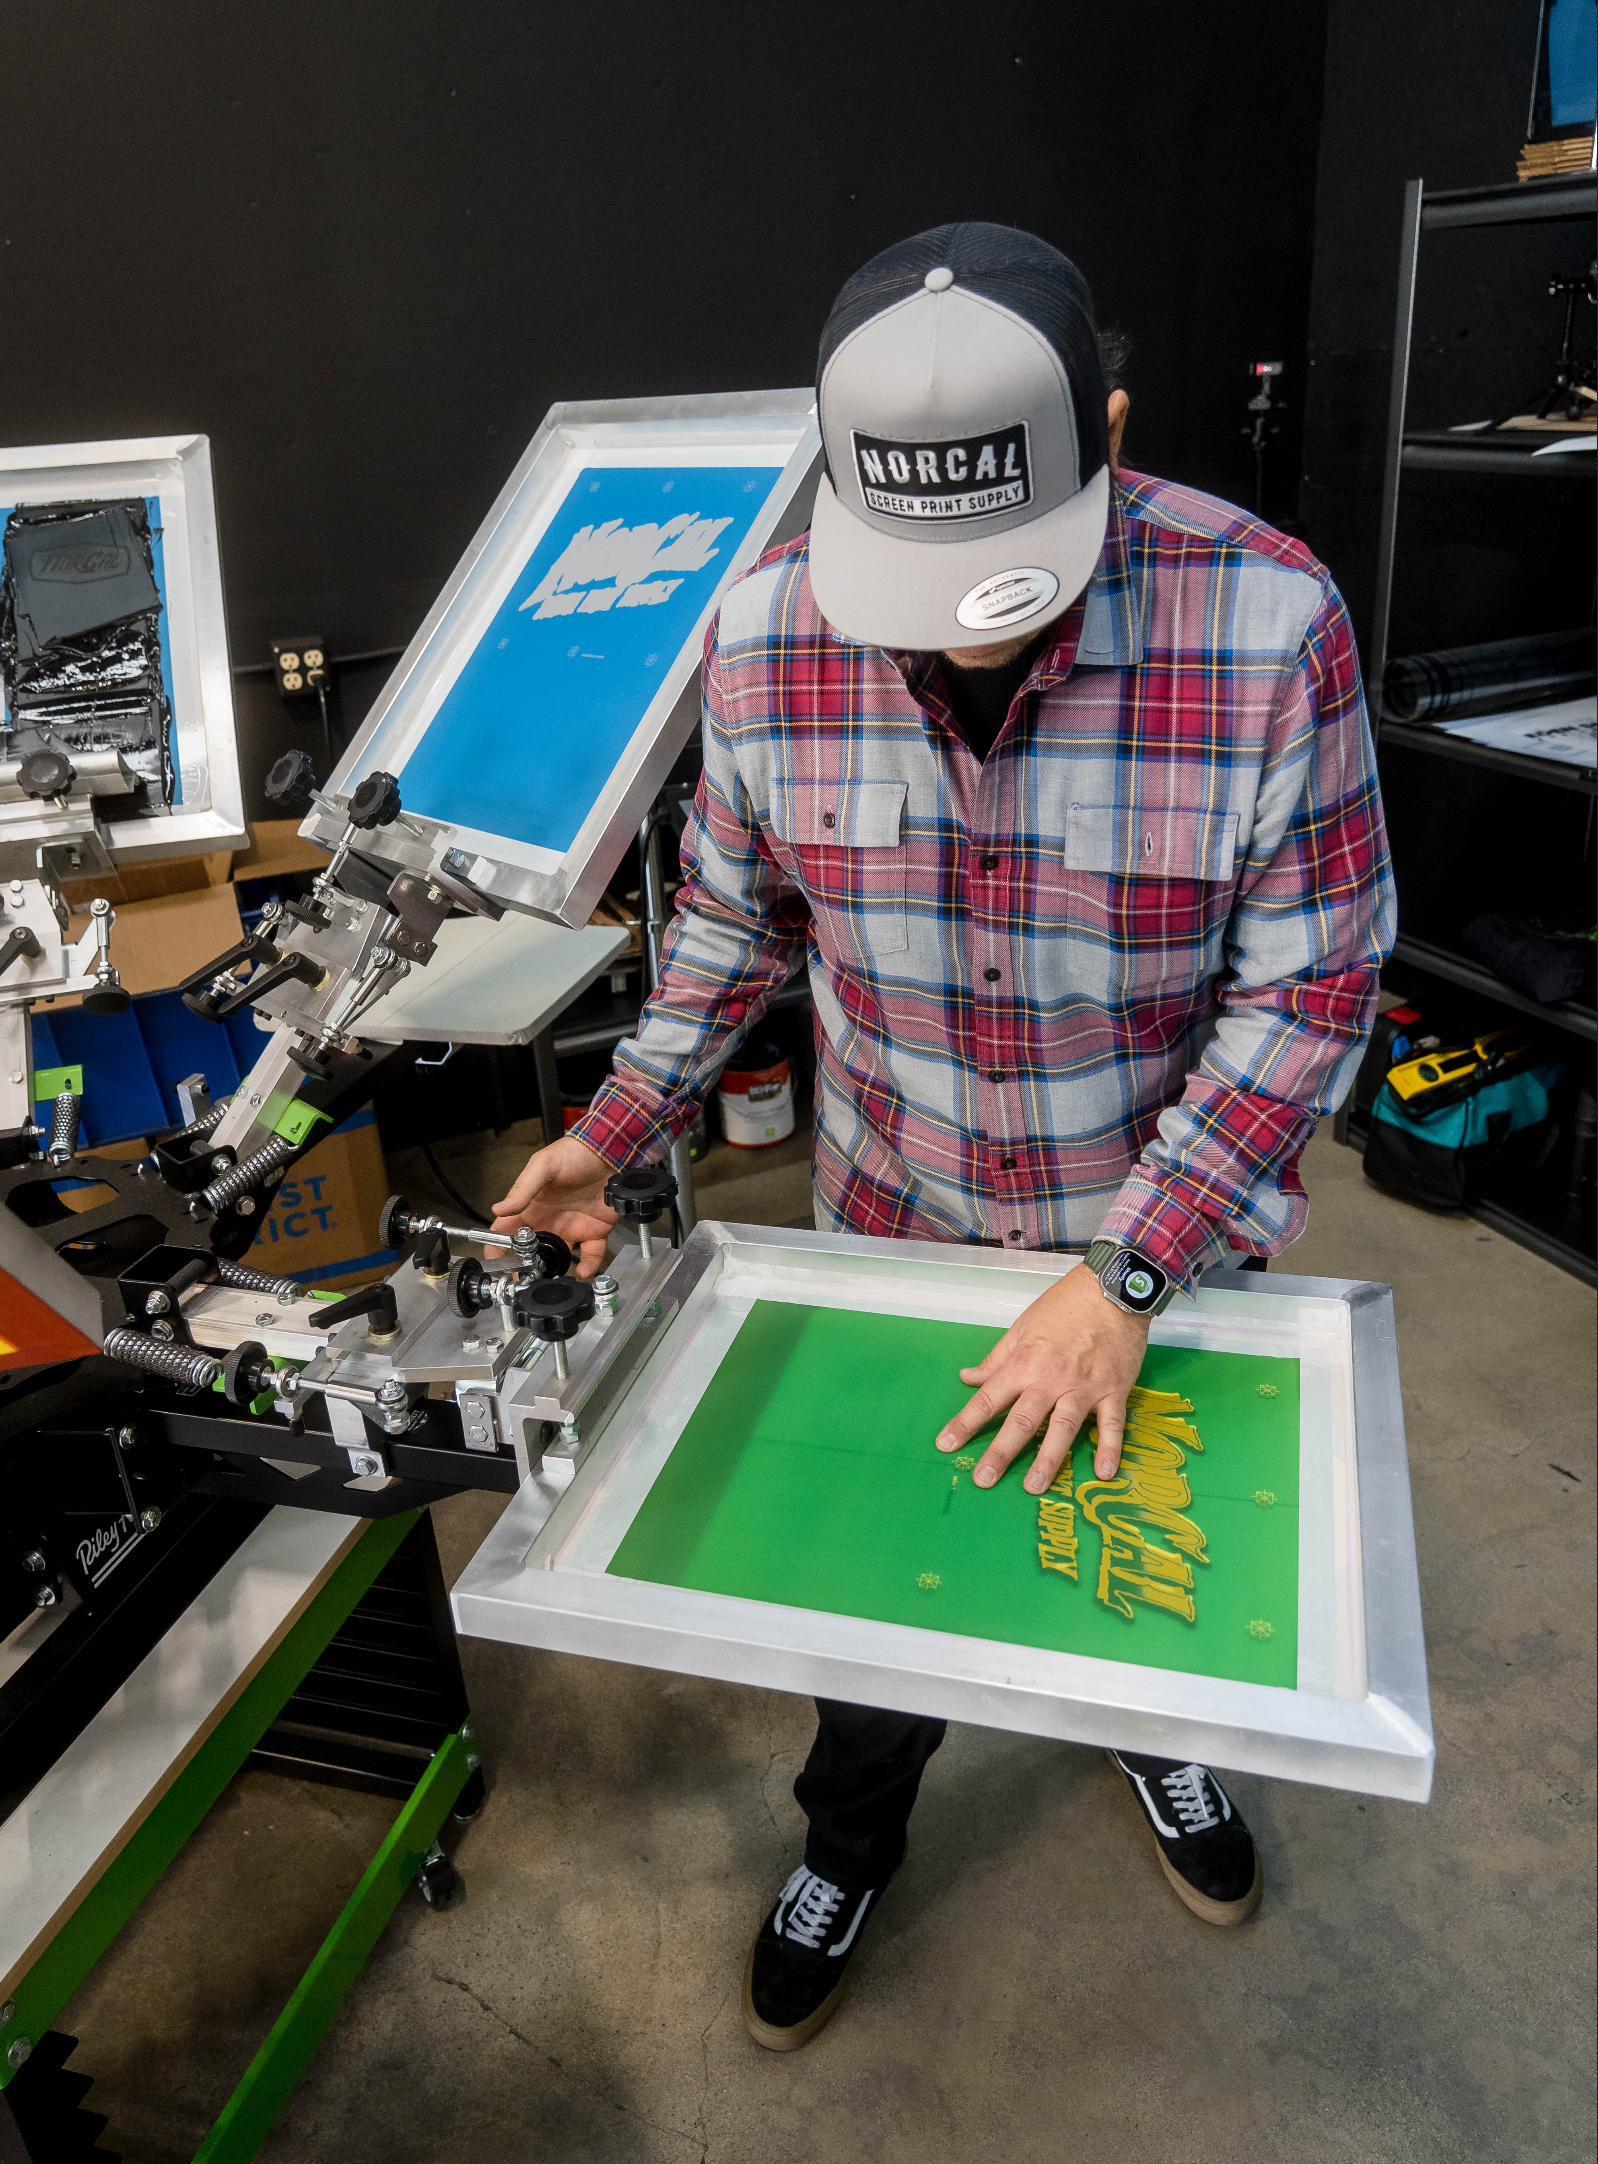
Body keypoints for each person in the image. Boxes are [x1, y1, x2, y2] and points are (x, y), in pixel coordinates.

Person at [491, 222, 1394, 2051]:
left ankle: (1158, 1740)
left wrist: (1126, 1269)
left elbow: (1307, 992)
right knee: (870, 1613)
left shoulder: (1268, 617)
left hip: (1158, 1236)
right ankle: (851, 1835)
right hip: (888, 1220)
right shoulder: (757, 635)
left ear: (1113, 425)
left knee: (1145, 1553)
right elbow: (736, 926)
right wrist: (619, 1123)